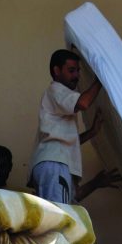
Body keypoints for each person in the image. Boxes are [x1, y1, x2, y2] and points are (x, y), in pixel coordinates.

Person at [29, 49, 103, 205]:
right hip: (55, 165)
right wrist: (101, 79)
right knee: (58, 219)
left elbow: (63, 139)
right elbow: (83, 103)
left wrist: (91, 133)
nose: (76, 76)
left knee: (58, 218)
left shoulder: (58, 99)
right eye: (71, 70)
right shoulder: (56, 89)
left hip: (54, 163)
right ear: (56, 71)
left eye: (78, 71)